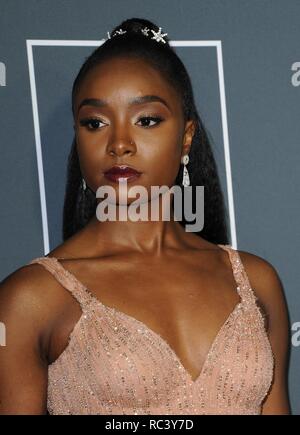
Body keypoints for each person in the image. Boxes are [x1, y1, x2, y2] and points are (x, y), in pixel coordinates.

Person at [0, 17, 291, 415]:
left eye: (147, 120)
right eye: (95, 122)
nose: (119, 143)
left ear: (186, 136)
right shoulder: (30, 299)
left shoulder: (256, 282)